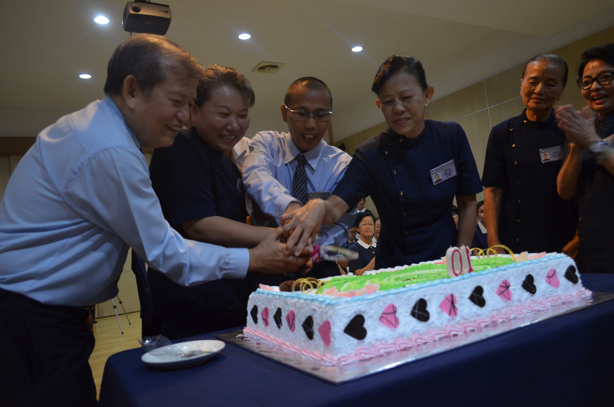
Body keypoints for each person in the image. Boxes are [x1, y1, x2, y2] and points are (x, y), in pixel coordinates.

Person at [0, 35, 307, 407]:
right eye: (178, 102)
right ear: (132, 91)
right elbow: (167, 249)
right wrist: (256, 258)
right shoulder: (112, 149)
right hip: (30, 319)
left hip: (44, 317)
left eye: (189, 105)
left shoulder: (101, 131)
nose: (184, 117)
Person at [281, 55, 482, 269]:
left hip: (447, 260)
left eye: (406, 97)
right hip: (396, 268)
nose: (397, 109)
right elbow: (336, 207)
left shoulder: (450, 136)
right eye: (387, 102)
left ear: (427, 95)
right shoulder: (369, 154)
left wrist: (461, 255)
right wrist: (318, 206)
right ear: (379, 105)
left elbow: (468, 203)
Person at [148, 65, 290, 339]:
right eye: (223, 114)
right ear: (194, 111)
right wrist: (277, 235)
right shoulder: (179, 146)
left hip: (228, 295)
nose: (234, 125)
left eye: (242, 115)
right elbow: (200, 225)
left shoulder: (227, 160)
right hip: (189, 299)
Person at [243, 77, 352, 278]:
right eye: (301, 114)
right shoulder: (267, 143)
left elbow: (340, 225)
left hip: (318, 264)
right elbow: (255, 175)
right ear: (285, 113)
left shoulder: (342, 164)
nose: (311, 125)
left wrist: (306, 248)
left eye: (321, 116)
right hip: (266, 261)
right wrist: (291, 208)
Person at [482, 54, 577, 254]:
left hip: (564, 240)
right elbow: (493, 191)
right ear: (521, 84)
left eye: (550, 84)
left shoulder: (570, 130)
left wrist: (579, 239)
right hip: (514, 241)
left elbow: (583, 190)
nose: (539, 90)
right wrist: (493, 242)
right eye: (532, 82)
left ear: (561, 91)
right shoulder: (502, 133)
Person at [556, 43, 614, 273]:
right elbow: (565, 191)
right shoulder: (586, 126)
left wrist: (592, 141)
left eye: (605, 77)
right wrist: (576, 147)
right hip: (593, 249)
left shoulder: (588, 132)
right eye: (587, 82)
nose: (595, 87)